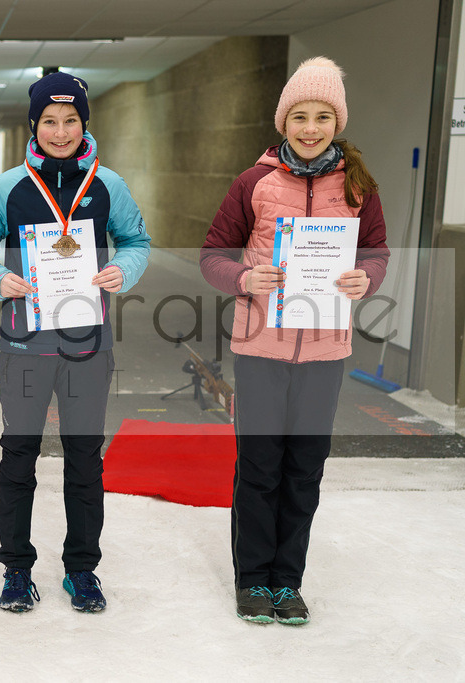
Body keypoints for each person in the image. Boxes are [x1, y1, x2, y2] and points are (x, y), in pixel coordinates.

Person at [200, 57, 389, 625]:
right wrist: (242, 278)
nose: (311, 128)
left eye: (323, 117)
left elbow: (376, 253)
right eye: (300, 116)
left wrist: (366, 279)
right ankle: (252, 580)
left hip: (326, 352)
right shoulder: (253, 182)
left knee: (305, 468)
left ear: (338, 122)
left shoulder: (358, 186)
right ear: (284, 121)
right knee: (259, 466)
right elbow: (211, 255)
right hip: (260, 348)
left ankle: (288, 581)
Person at [0, 72, 151, 613]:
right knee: (18, 454)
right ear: (34, 125)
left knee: (84, 457)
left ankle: (81, 569)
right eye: (50, 120)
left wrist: (123, 270)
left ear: (84, 124)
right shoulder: (9, 187)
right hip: (24, 344)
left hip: (87, 343)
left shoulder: (107, 184)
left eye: (71, 120)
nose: (61, 131)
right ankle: (16, 570)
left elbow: (136, 240)